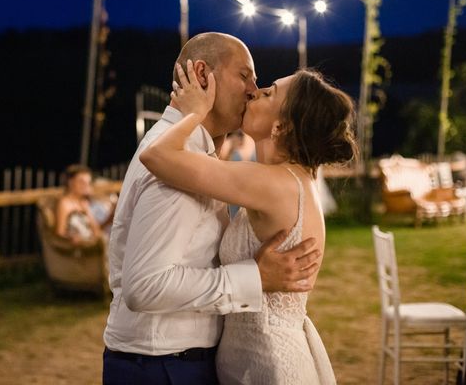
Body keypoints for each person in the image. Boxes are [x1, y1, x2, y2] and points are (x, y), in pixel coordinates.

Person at [102, 32, 321, 385]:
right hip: (164, 365)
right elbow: (144, 285)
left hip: (174, 362)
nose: (253, 89)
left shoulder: (192, 154)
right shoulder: (178, 159)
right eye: (244, 75)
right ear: (202, 74)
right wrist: (255, 278)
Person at [140, 61, 357, 383]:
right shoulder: (284, 178)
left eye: (268, 93)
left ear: (281, 126)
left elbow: (156, 156)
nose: (255, 92)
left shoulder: (274, 183)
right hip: (252, 361)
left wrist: (194, 112)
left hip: (269, 366)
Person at [55, 164, 114, 246]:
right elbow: (60, 233)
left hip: (91, 245)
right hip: (78, 248)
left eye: (88, 182)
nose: (86, 186)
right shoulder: (65, 203)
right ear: (70, 182)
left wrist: (87, 211)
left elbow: (97, 232)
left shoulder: (85, 202)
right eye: (82, 182)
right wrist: (70, 237)